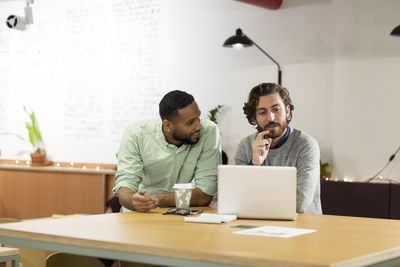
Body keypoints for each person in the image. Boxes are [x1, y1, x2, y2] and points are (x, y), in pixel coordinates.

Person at [113, 90, 221, 212]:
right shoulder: (136, 134)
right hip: (141, 212)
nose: (199, 126)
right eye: (190, 122)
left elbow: (204, 195)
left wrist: (158, 200)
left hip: (181, 214)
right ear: (167, 125)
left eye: (198, 117)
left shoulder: (208, 132)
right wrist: (134, 200)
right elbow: (125, 185)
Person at [235, 83, 322, 214]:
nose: (271, 118)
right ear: (254, 118)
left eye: (276, 109)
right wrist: (253, 165)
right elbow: (237, 198)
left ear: (287, 110)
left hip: (302, 227)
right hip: (257, 224)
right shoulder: (246, 146)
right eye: (262, 112)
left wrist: (256, 194)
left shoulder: (306, 145)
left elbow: (299, 203)